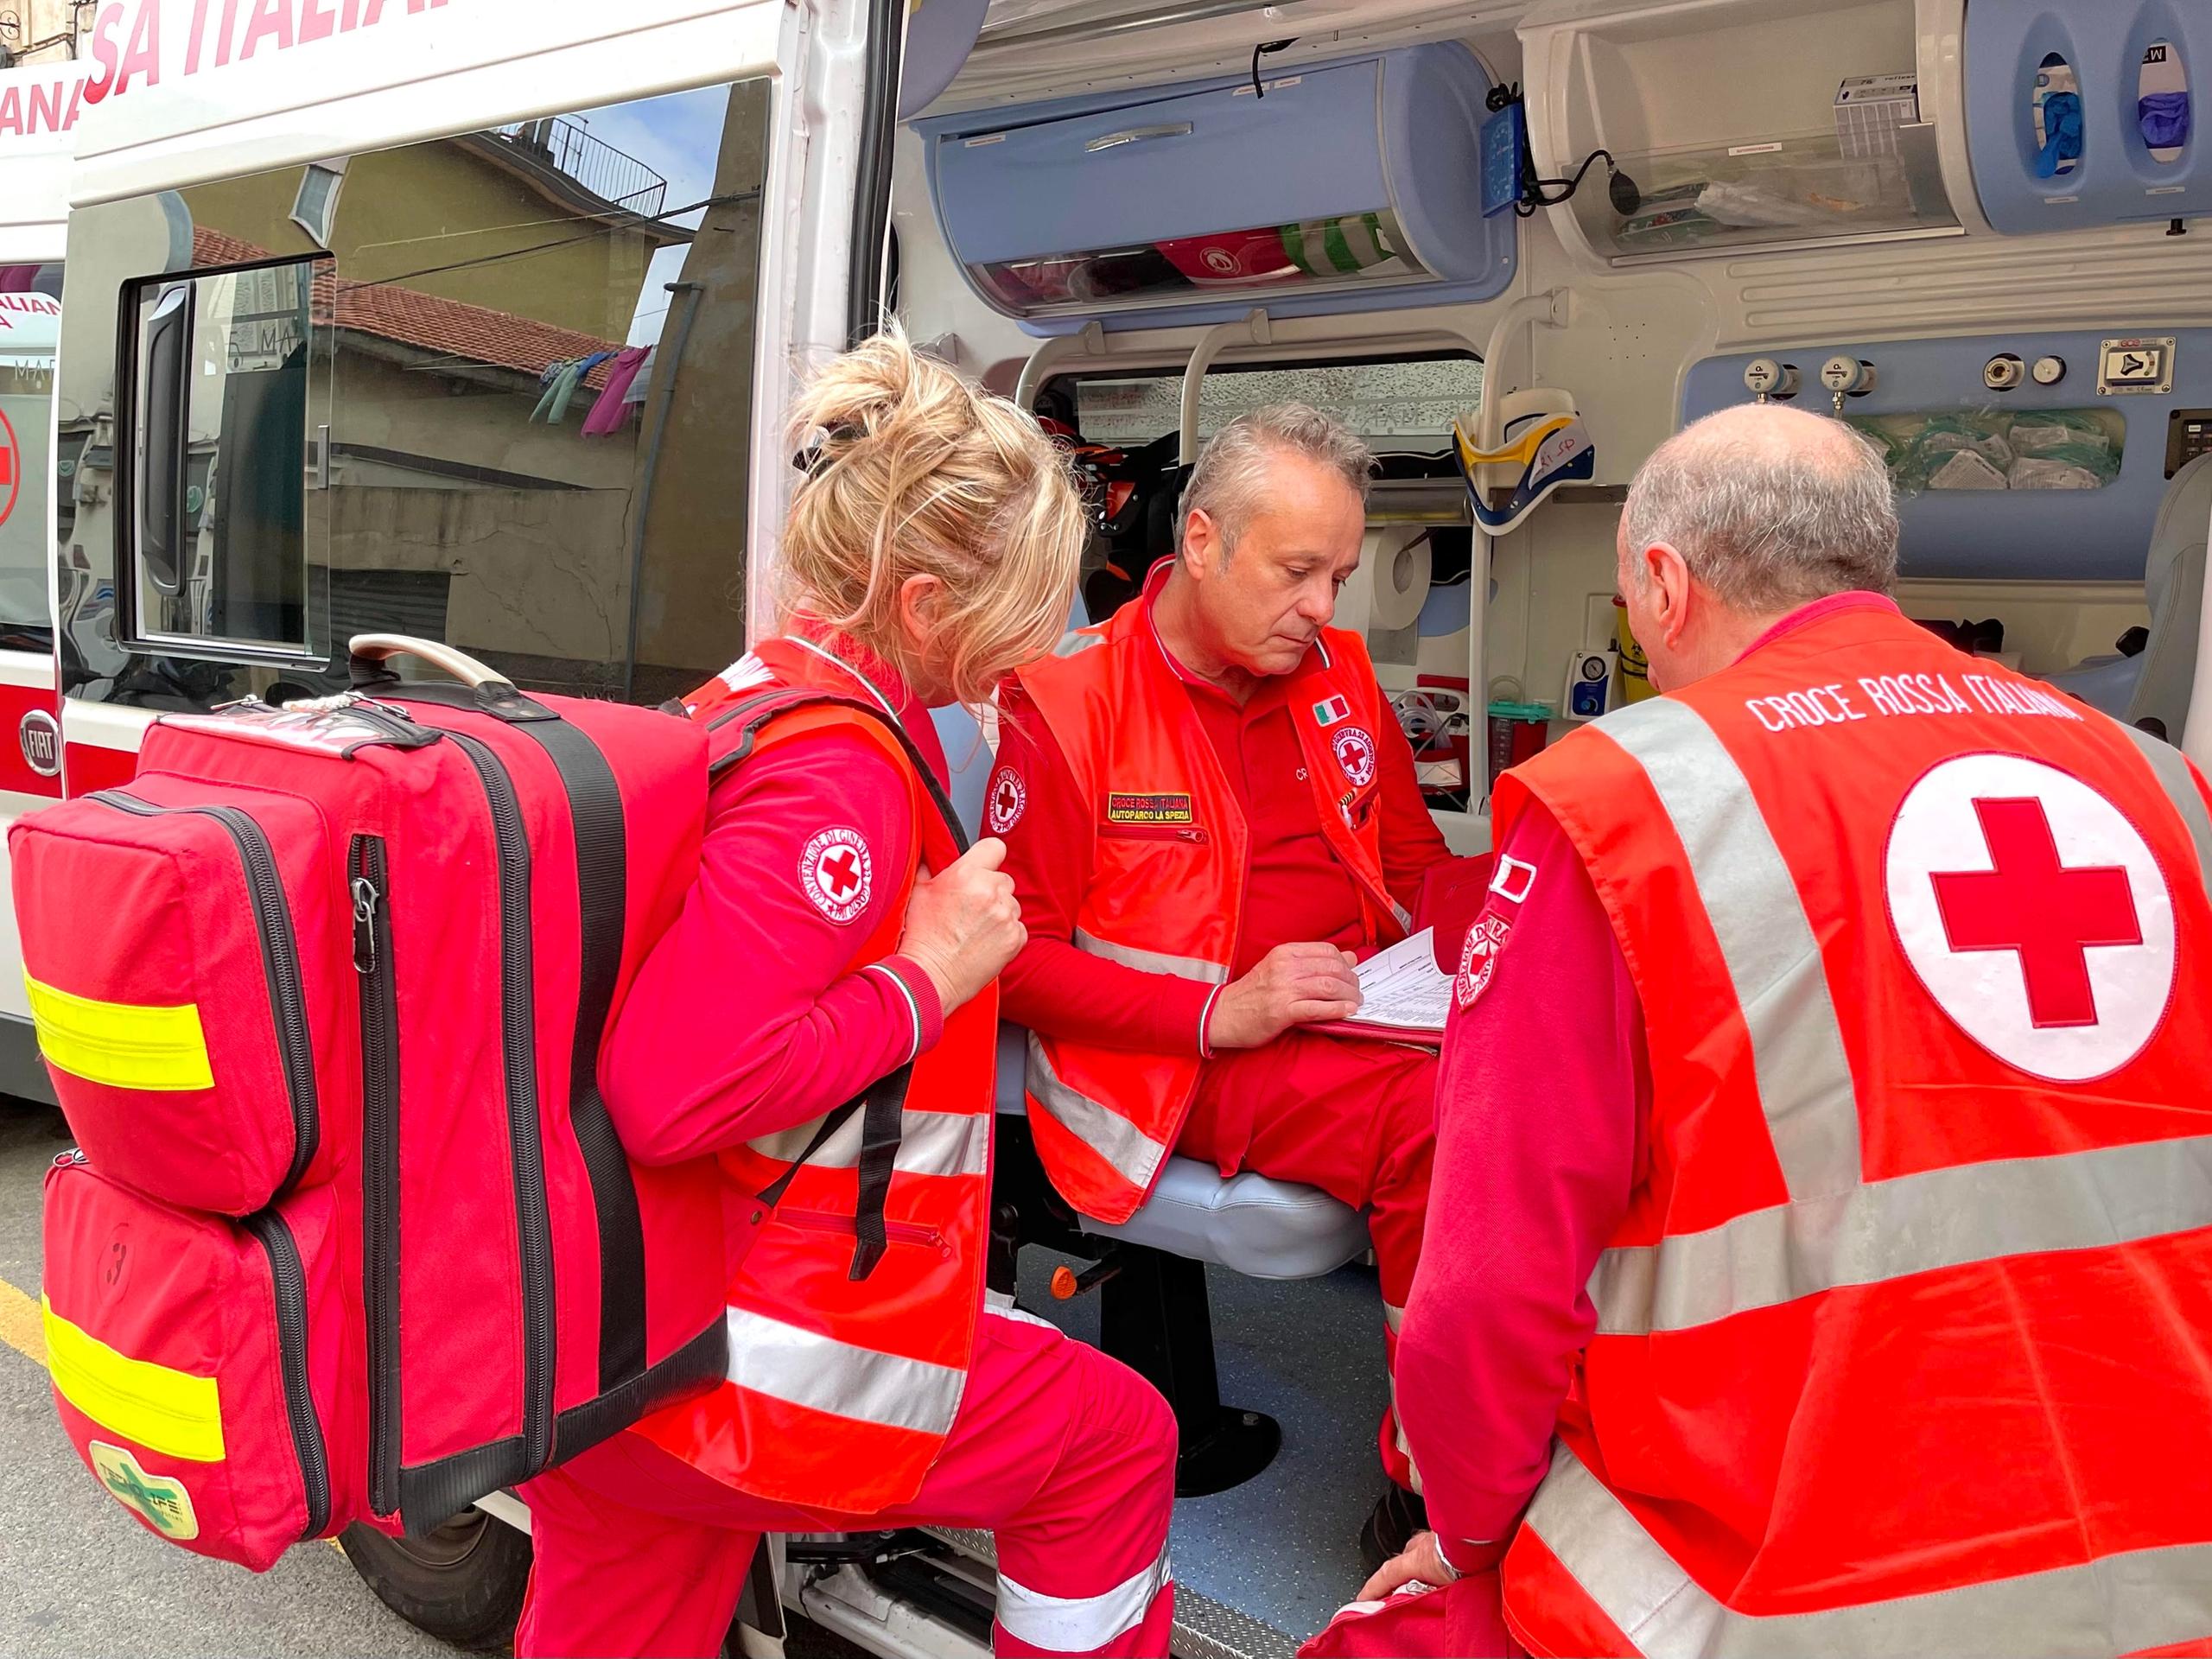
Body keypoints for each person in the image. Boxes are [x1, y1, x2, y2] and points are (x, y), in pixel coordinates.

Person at [1311, 402, 2212, 1657]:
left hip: (1794, 1575)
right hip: (2162, 1548)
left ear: (1667, 585)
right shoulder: (2163, 784)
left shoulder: (1627, 805)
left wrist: (1462, 1537)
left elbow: (1485, 1290)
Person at [515, 328, 1179, 1659]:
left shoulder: (741, 701)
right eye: (1024, 611)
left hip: (609, 1330)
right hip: (753, 1361)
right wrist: (932, 977)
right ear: (925, 606)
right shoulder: (841, 775)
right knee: (1115, 1447)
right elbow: (679, 1088)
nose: (1036, 649)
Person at [990, 404, 1469, 1563]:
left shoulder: (1336, 670)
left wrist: (1520, 931)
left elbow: (1410, 863)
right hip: (1171, 1060)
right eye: (1299, 571)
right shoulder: (1067, 701)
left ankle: (1537, 1419)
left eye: (1342, 575)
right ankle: (1438, 1496)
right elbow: (1012, 963)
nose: (1325, 608)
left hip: (1348, 1012)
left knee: (1585, 1065)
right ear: (1201, 542)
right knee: (1448, 1127)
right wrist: (1220, 1009)